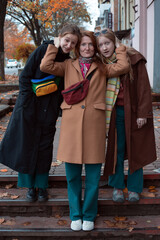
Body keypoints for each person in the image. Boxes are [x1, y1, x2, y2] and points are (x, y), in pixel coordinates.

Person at [40, 30, 129, 231]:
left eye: (90, 45)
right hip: (71, 125)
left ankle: (88, 214)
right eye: (83, 45)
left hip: (94, 125)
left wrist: (120, 46)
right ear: (77, 47)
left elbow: (123, 66)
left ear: (95, 48)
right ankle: (75, 215)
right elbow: (45, 65)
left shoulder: (103, 67)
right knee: (71, 176)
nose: (87, 48)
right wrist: (55, 44)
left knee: (92, 177)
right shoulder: (67, 66)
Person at [0, 24, 81, 202]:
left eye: (73, 43)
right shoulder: (43, 49)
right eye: (67, 40)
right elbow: (24, 77)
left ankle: (42, 186)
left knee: (44, 148)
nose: (69, 45)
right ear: (60, 37)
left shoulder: (68, 60)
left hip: (49, 111)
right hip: (29, 108)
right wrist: (27, 102)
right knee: (26, 145)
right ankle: (30, 186)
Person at [95, 28, 157, 203]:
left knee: (136, 150)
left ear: (115, 42)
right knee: (117, 149)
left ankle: (134, 188)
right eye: (101, 45)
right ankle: (117, 187)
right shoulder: (102, 64)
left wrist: (143, 113)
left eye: (107, 43)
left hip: (135, 113)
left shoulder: (133, 58)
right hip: (115, 114)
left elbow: (144, 88)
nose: (105, 48)